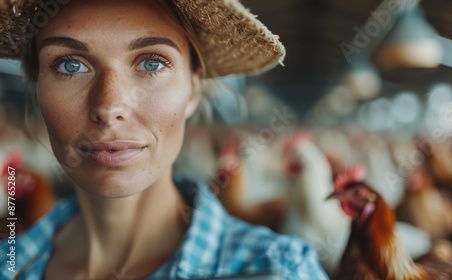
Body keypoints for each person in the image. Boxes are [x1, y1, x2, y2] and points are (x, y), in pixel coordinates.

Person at [0, 0, 330, 279]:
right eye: (70, 65)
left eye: (152, 63)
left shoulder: (277, 269)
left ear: (193, 90)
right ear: (37, 87)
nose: (108, 107)